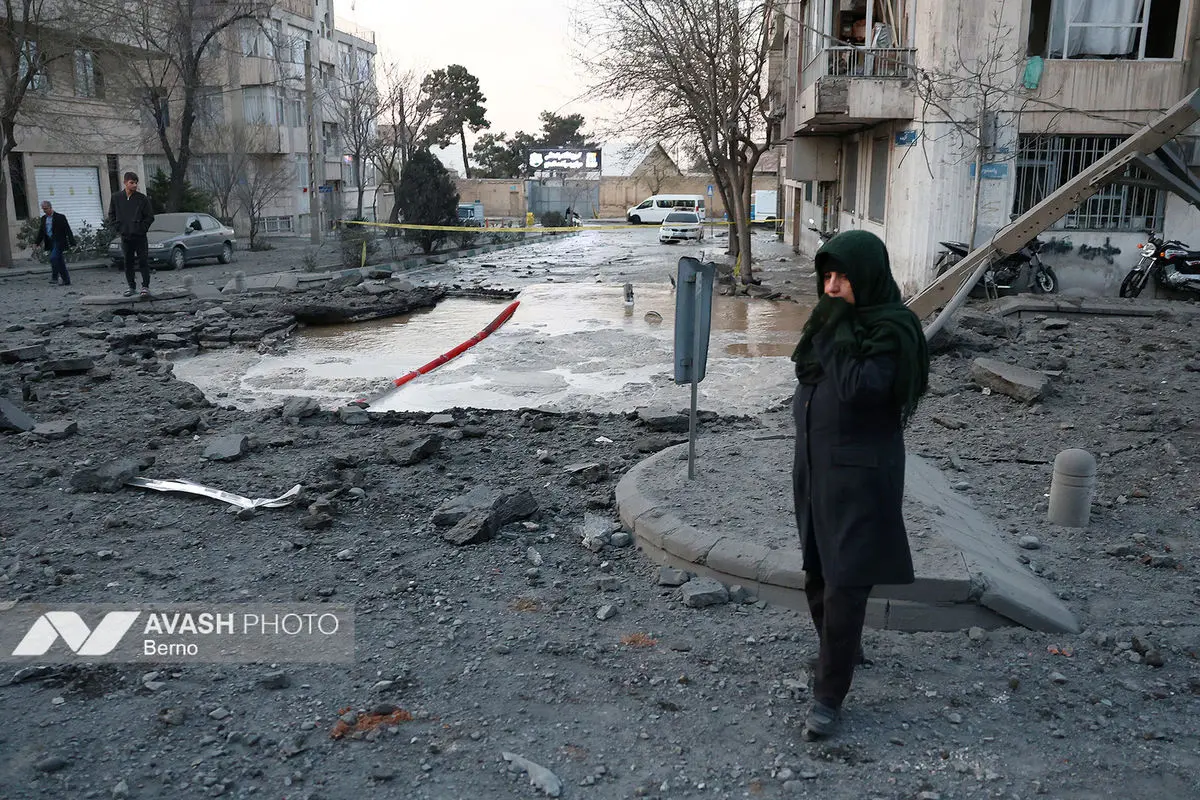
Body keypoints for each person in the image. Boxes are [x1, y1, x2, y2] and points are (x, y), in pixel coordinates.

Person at [789, 230, 929, 740]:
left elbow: (857, 389)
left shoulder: (891, 331)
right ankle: (844, 647)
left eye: (843, 277)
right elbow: (808, 375)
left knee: (846, 583)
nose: (831, 287)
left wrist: (833, 329)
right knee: (817, 572)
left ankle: (829, 697)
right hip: (815, 471)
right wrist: (829, 329)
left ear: (867, 277)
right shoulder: (833, 325)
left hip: (862, 479)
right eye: (827, 276)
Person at [107, 171, 155, 297]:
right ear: (125, 183)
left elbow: (149, 216)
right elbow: (111, 214)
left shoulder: (142, 198)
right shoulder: (116, 197)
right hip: (125, 236)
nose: (134, 185)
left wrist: (141, 228)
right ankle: (131, 286)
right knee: (128, 262)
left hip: (139, 236)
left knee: (143, 260)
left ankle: (145, 286)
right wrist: (118, 228)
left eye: (136, 183)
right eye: (131, 182)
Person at [33, 200, 77, 287]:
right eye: (43, 209)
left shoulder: (60, 217)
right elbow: (41, 232)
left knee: (53, 258)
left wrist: (72, 242)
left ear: (50, 207)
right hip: (50, 242)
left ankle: (54, 277)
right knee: (59, 261)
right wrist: (36, 243)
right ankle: (66, 280)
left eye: (46, 208)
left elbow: (67, 230)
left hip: (59, 241)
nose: (44, 211)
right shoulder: (44, 218)